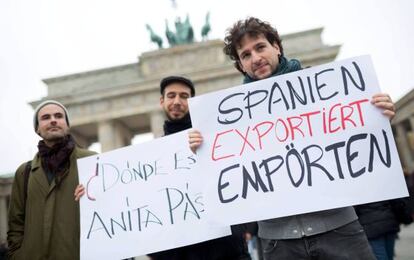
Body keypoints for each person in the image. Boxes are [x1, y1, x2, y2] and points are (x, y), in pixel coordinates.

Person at [188, 17, 396, 260]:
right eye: (245, 55)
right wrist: (203, 148)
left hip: (340, 230)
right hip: (278, 242)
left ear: (276, 46)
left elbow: (357, 135)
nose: (255, 58)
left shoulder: (324, 86)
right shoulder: (231, 118)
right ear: (241, 66)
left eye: (260, 47)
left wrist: (377, 115)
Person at [148, 75, 250, 260]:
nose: (177, 102)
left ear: (192, 101)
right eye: (171, 96)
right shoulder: (149, 158)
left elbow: (240, 177)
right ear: (162, 101)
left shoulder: (215, 138)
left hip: (226, 249)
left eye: (184, 96)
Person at [7, 100, 95, 260]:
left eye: (59, 116)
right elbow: (15, 223)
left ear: (67, 125)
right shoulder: (24, 172)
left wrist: (94, 193)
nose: (53, 120)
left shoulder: (92, 161)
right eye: (46, 117)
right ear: (37, 129)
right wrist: (17, 255)